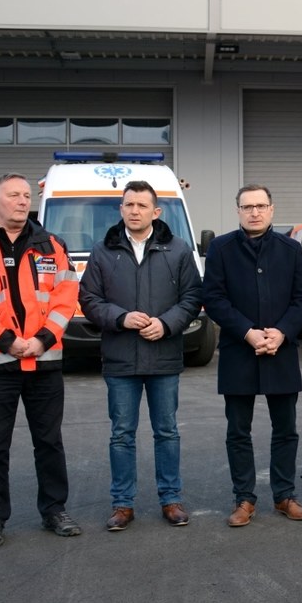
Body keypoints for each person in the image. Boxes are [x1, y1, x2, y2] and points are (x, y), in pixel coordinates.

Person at [0, 173, 82, 548]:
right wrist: (9, 342)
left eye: (26, 195)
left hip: (44, 361)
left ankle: (54, 510)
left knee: (49, 442)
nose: (23, 201)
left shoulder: (52, 244)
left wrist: (41, 340)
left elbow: (65, 295)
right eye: (13, 195)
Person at [79, 180, 202, 531]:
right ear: (120, 210)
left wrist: (166, 324)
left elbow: (193, 296)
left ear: (156, 212)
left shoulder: (177, 250)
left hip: (163, 357)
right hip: (120, 359)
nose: (134, 211)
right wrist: (121, 317)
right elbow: (89, 299)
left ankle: (171, 499)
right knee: (121, 434)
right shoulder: (102, 251)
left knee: (167, 431)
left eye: (141, 205)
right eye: (129, 205)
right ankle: (122, 504)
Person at [203, 185, 302, 527]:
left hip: (281, 351)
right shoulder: (220, 248)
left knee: (286, 429)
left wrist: (281, 332)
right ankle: (244, 499)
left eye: (261, 206)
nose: (254, 212)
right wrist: (248, 332)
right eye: (247, 206)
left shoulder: (290, 249)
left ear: (271, 209)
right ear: (237, 210)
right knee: (238, 431)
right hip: (239, 351)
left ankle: (284, 495)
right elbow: (215, 298)